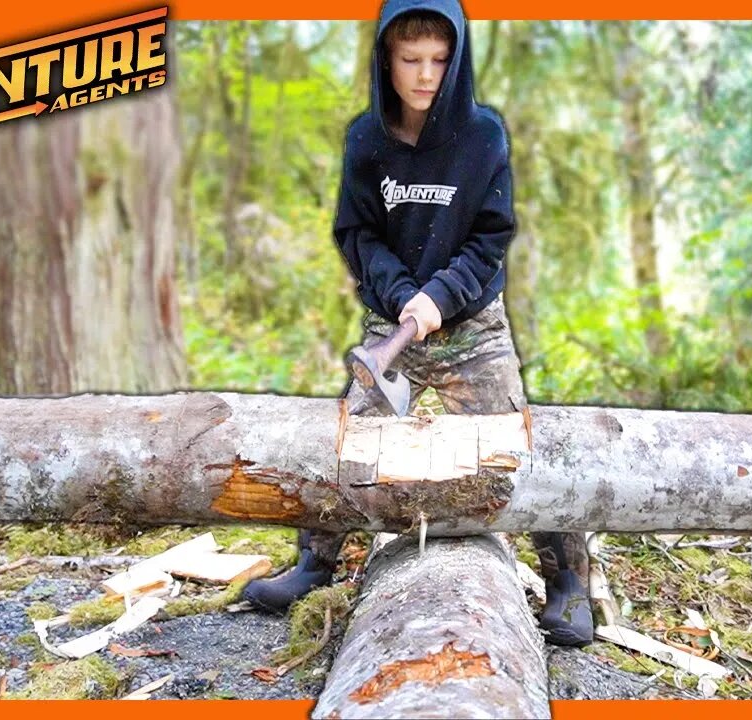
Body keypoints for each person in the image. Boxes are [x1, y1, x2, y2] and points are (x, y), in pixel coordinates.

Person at [242, 0, 593, 647]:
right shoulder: (365, 142)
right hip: (391, 333)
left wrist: (441, 294)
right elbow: (358, 235)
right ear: (386, 59)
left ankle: (569, 583)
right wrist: (404, 293)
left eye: (439, 59)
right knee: (351, 445)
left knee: (517, 445)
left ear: (455, 59)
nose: (426, 75)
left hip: (471, 331)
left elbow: (490, 238)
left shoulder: (483, 136)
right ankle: (313, 565)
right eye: (411, 60)